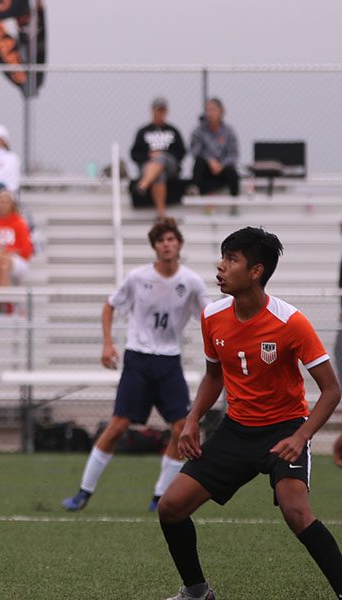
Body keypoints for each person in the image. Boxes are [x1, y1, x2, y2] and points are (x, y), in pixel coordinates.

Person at [157, 227, 342, 600]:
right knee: (171, 507)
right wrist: (192, 420)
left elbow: (331, 390)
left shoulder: (291, 322)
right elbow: (214, 376)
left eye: (231, 259)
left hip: (284, 431)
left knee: (296, 511)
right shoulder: (212, 316)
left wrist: (301, 436)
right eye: (223, 258)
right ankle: (197, 592)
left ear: (255, 271)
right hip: (236, 431)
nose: (221, 267)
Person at [61, 218, 210, 513]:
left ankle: (159, 496)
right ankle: (84, 492)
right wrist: (107, 343)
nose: (167, 244)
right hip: (138, 360)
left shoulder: (192, 282)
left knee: (181, 428)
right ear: (154, 246)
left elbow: (209, 318)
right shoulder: (137, 277)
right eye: (161, 240)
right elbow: (110, 305)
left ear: (179, 243)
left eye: (171, 239)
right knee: (117, 426)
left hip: (169, 362)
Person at [130, 97, 186, 219]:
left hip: (170, 166)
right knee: (158, 174)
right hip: (149, 167)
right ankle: (161, 213)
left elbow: (181, 152)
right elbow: (134, 154)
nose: (160, 113)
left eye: (163, 110)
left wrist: (163, 154)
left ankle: (143, 185)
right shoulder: (143, 131)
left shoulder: (173, 131)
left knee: (160, 158)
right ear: (152, 110)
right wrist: (148, 156)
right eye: (158, 110)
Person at [190, 98, 241, 197]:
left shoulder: (229, 131)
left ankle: (234, 203)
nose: (210, 113)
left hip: (222, 168)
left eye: (213, 110)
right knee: (199, 163)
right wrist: (210, 160)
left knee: (233, 172)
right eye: (208, 110)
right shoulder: (198, 131)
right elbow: (195, 151)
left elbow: (234, 154)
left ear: (222, 112)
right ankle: (195, 191)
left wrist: (221, 165)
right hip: (206, 168)